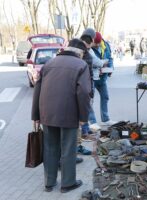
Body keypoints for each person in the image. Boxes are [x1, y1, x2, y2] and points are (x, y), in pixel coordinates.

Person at [32, 38, 91, 193]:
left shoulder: (49, 64)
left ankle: (49, 183)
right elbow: (84, 92)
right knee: (68, 149)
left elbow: (37, 89)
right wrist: (84, 117)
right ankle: (67, 183)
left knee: (50, 148)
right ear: (80, 52)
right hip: (69, 114)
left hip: (47, 113)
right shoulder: (81, 65)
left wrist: (35, 115)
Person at [92, 32, 116, 126]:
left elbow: (109, 58)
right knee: (90, 100)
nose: (97, 45)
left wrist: (110, 69)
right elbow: (88, 61)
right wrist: (97, 67)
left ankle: (105, 119)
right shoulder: (88, 48)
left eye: (98, 43)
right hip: (92, 78)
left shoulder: (105, 45)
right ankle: (92, 122)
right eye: (95, 43)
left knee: (105, 97)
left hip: (102, 78)